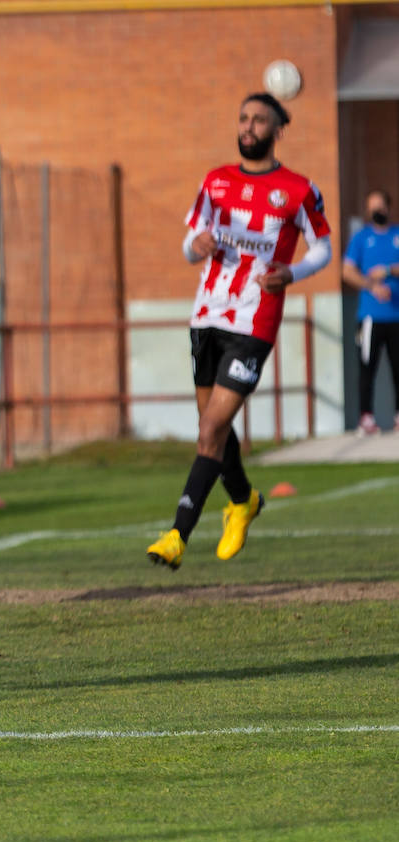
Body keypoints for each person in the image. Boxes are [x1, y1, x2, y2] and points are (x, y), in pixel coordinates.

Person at [147, 92, 332, 570]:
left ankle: (176, 535)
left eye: (259, 120)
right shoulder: (215, 181)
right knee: (215, 427)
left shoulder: (297, 190)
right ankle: (244, 500)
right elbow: (190, 244)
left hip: (255, 321)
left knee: (210, 428)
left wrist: (293, 273)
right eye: (244, 118)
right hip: (207, 314)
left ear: (278, 129)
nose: (249, 126)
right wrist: (198, 243)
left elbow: (323, 248)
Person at [341, 189, 399, 434]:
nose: (377, 211)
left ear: (388, 207)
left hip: (396, 317)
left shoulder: (396, 235)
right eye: (372, 207)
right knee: (367, 368)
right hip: (370, 317)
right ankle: (366, 417)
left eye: (380, 206)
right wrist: (371, 285)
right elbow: (347, 271)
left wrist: (386, 271)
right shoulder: (361, 238)